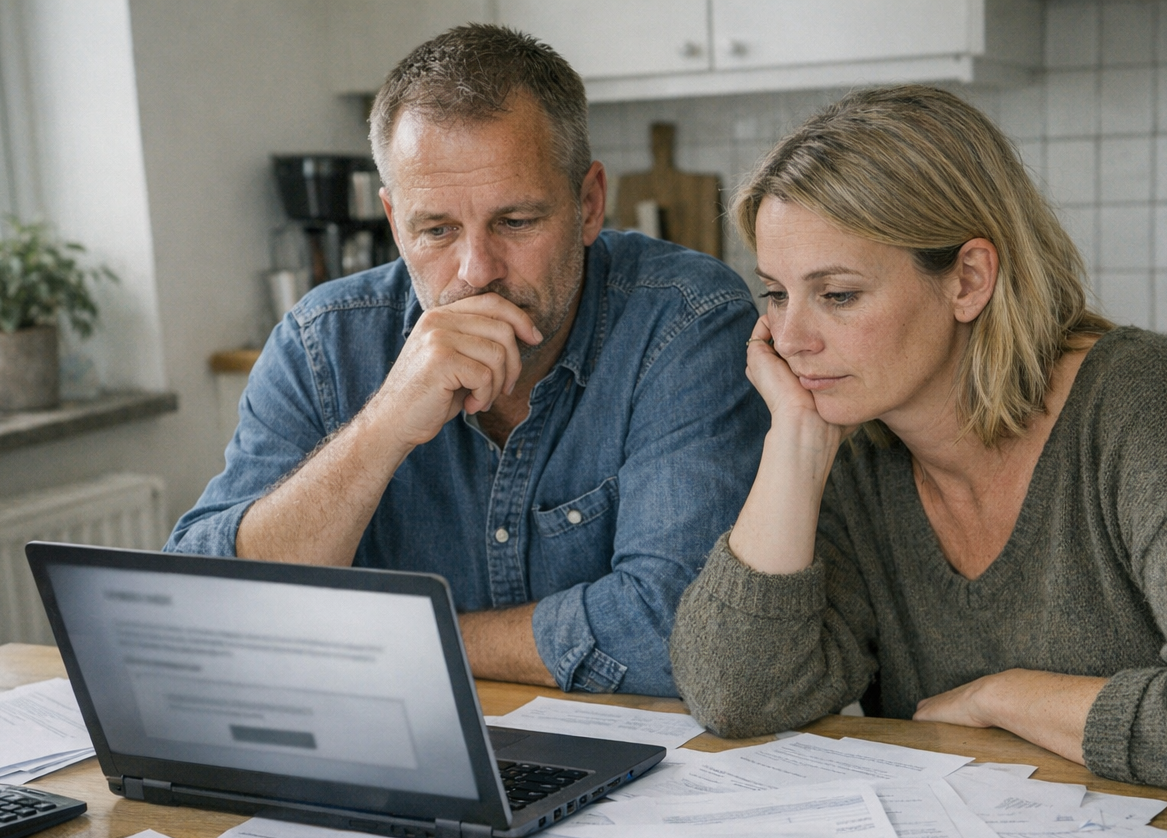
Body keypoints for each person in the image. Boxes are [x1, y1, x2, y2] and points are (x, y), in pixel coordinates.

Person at [668, 85, 1167, 804]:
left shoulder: (1149, 408)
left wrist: (1003, 698)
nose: (788, 339)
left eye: (837, 295)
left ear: (968, 280)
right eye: (776, 294)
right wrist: (794, 447)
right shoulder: (859, 448)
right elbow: (732, 695)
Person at [168, 25, 767, 697]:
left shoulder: (685, 322)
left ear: (590, 203)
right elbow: (200, 610)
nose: (476, 271)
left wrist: (388, 636)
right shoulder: (322, 342)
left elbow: (678, 634)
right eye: (437, 230)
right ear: (395, 222)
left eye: (516, 222)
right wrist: (384, 426)